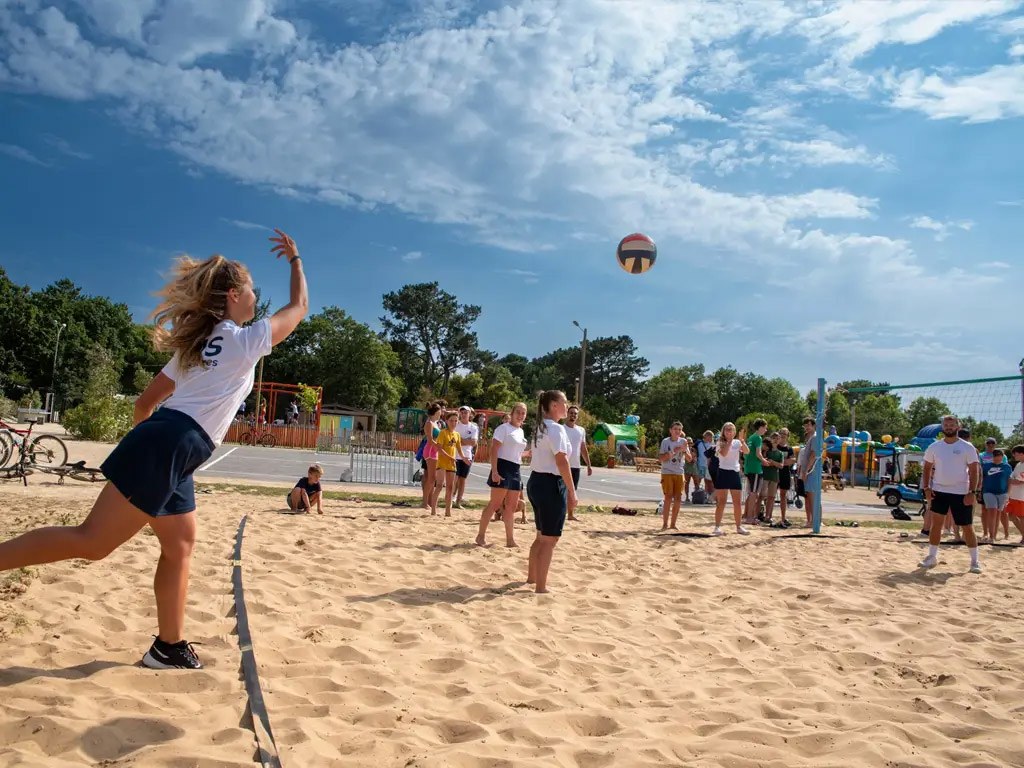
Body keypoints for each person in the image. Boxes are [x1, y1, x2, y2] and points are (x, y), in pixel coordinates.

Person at [0, 228, 307, 670]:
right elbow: (299, 307)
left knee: (179, 544)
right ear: (234, 295)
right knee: (93, 542)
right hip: (172, 445)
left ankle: (168, 647)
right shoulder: (243, 341)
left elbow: (144, 404)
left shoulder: (195, 348)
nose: (256, 297)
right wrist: (296, 260)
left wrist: (152, 453)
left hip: (171, 446)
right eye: (252, 289)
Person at [526, 391, 577, 594]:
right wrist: (572, 491)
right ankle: (541, 587)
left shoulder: (540, 426)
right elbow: (562, 461)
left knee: (541, 536)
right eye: (564, 402)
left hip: (536, 481)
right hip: (550, 484)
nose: (567, 406)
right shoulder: (556, 428)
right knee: (549, 539)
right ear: (554, 405)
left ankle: (532, 578)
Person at [919, 415, 982, 573]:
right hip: (939, 490)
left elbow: (974, 470)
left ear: (958, 427)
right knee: (936, 525)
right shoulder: (935, 446)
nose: (949, 427)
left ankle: (975, 561)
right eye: (946, 425)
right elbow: (927, 468)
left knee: (967, 526)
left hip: (961, 492)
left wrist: (972, 492)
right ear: (942, 427)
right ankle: (932, 556)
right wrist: (926, 488)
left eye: (952, 424)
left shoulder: (967, 447)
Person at [476, 403, 529, 547]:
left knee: (511, 507)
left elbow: (516, 453)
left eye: (523, 413)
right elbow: (494, 450)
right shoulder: (503, 428)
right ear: (512, 413)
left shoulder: (520, 431)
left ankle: (510, 540)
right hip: (502, 467)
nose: (520, 415)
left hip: (515, 468)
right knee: (494, 504)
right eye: (518, 412)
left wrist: (529, 453)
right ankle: (480, 536)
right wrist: (495, 471)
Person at [712, 422, 750, 536]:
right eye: (727, 429)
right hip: (723, 472)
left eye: (731, 429)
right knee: (721, 502)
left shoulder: (737, 442)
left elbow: (747, 451)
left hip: (734, 472)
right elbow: (723, 454)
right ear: (723, 431)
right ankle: (717, 527)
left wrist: (742, 441)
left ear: (734, 431)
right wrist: (728, 441)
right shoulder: (720, 442)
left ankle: (739, 526)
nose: (729, 431)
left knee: (737, 502)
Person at [433, 411, 467, 517]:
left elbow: (459, 449)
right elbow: (439, 448)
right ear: (447, 421)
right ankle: (433, 509)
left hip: (451, 464)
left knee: (450, 487)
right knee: (439, 485)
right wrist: (449, 457)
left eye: (455, 421)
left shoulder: (457, 434)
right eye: (451, 420)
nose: (453, 423)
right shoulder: (443, 433)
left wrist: (464, 458)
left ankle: (448, 511)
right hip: (442, 462)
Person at [658, 422, 690, 530]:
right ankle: (665, 524)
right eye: (675, 429)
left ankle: (673, 524)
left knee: (678, 498)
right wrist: (673, 451)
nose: (677, 431)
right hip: (667, 472)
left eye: (679, 429)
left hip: (679, 472)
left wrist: (684, 450)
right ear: (670, 430)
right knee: (668, 497)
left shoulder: (683, 441)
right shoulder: (665, 441)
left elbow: (690, 459)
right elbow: (661, 459)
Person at [564, 405, 591, 521]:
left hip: (575, 466)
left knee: (572, 491)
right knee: (561, 491)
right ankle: (559, 513)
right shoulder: (561, 429)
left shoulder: (581, 430)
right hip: (563, 465)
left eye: (575, 414)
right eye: (571, 413)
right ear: (567, 414)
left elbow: (583, 448)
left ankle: (570, 514)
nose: (573, 415)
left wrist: (589, 465)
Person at [980, 448, 1012, 543]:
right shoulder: (986, 466)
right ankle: (991, 537)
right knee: (992, 512)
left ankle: (996, 534)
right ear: (992, 457)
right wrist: (979, 491)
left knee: (998, 513)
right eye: (995, 456)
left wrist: (1008, 493)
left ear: (1002, 457)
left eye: (999, 456)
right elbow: (981, 479)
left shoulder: (1007, 467)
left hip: (1002, 493)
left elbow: (1009, 480)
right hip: (988, 491)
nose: (997, 458)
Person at [743, 418, 768, 524]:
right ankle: (749, 517)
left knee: (751, 493)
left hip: (749, 468)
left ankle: (746, 515)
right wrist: (764, 461)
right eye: (765, 428)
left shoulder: (751, 437)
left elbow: (746, 454)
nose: (766, 430)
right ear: (760, 427)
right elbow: (758, 453)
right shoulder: (758, 437)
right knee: (754, 493)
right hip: (755, 468)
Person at [795, 416, 819, 528]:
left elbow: (813, 455)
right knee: (809, 497)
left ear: (814, 425)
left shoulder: (814, 437)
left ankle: (814, 521)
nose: (807, 427)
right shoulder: (811, 438)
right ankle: (812, 521)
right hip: (809, 471)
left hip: (811, 471)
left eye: (809, 425)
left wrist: (806, 471)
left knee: (812, 497)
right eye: (805, 425)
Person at [454, 405, 479, 509]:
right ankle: (451, 499)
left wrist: (460, 441)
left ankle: (458, 501)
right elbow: (453, 440)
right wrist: (465, 441)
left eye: (466, 413)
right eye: (462, 413)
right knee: (454, 479)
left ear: (470, 414)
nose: (464, 415)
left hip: (467, 456)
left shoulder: (473, 427)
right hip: (455, 455)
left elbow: (473, 442)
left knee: (462, 479)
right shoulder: (456, 425)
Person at [420, 403, 443, 510]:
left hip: (434, 451)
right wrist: (439, 447)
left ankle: (429, 502)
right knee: (431, 478)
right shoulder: (429, 423)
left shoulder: (436, 423)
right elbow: (429, 440)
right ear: (436, 412)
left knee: (432, 478)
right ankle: (425, 502)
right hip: (430, 451)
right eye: (439, 411)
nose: (441, 413)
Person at [761, 432, 784, 525]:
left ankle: (768, 516)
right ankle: (757, 514)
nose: (776, 440)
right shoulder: (766, 450)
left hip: (774, 477)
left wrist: (773, 462)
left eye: (778, 438)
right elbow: (763, 462)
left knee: (771, 497)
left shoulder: (780, 453)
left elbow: (781, 465)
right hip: (765, 476)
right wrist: (772, 463)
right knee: (762, 496)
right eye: (774, 438)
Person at [775, 428, 795, 526]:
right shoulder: (775, 446)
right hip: (774, 473)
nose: (782, 435)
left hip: (785, 473)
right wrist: (783, 462)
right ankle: (767, 516)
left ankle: (783, 517)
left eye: (785, 434)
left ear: (788, 436)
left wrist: (781, 462)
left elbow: (792, 460)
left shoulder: (789, 449)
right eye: (781, 433)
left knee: (783, 495)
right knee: (769, 495)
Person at [1006, 444, 1024, 544]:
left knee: (1021, 517)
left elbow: (1018, 481)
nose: (1014, 455)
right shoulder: (1018, 464)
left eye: (1015, 453)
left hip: (1021, 496)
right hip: (1014, 495)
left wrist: (1012, 480)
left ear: (1022, 454)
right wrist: (1012, 480)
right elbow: (1011, 478)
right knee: (1011, 516)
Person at [696, 430, 715, 498]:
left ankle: (706, 495)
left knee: (708, 481)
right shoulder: (699, 443)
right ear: (707, 436)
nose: (712, 438)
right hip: (701, 464)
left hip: (708, 465)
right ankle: (697, 493)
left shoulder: (712, 445)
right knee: (699, 479)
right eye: (711, 437)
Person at [683, 436, 700, 503]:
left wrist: (693, 457)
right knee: (686, 483)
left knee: (696, 483)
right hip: (687, 468)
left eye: (691, 443)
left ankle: (696, 497)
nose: (690, 444)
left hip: (694, 468)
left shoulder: (694, 450)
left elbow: (695, 459)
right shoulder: (684, 450)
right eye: (688, 443)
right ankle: (687, 497)